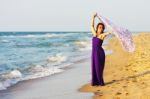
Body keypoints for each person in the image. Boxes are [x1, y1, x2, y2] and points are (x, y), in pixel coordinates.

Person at [91, 13, 112, 86]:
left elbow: (109, 32)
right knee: (94, 67)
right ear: (97, 28)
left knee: (98, 68)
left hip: (99, 53)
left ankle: (100, 82)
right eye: (99, 27)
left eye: (102, 27)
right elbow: (91, 26)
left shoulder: (102, 35)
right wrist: (93, 17)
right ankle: (95, 82)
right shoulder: (94, 34)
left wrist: (102, 21)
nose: (100, 28)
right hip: (94, 53)